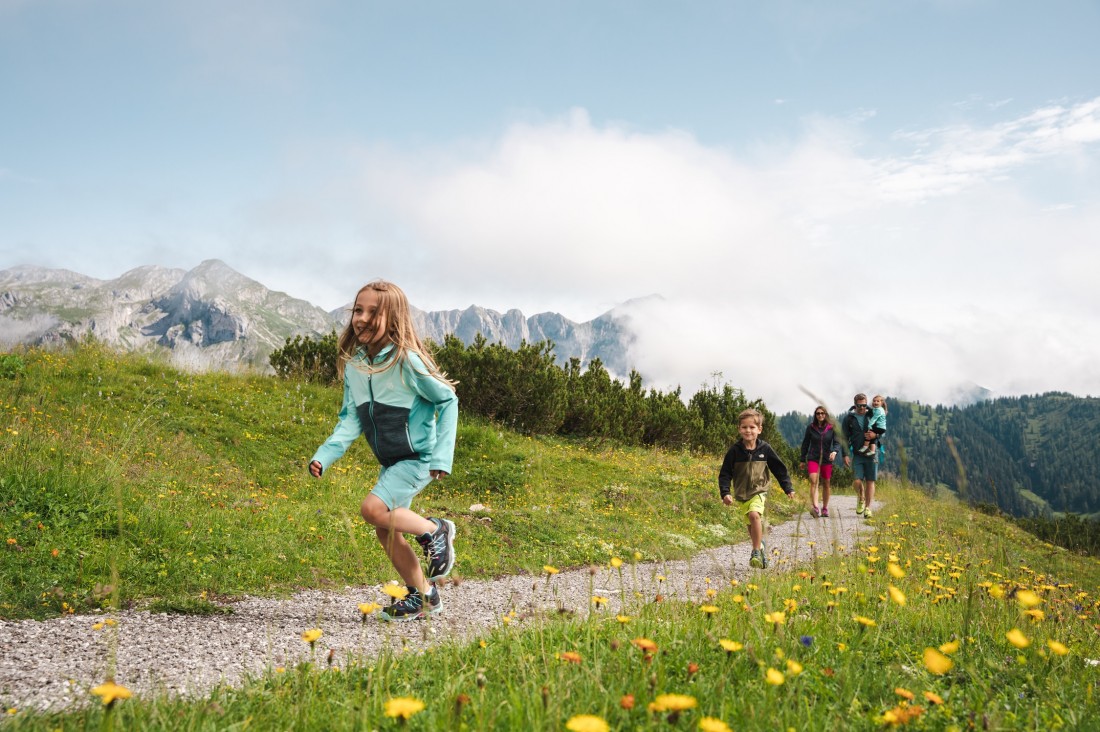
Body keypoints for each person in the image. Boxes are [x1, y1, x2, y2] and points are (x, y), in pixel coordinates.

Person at [309, 280, 459, 621]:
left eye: (373, 312)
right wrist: (324, 455)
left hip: (417, 457)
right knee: (385, 528)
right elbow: (350, 419)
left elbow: (448, 399)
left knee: (372, 509)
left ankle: (436, 530)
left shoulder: (407, 361)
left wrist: (441, 458)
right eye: (358, 310)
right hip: (391, 461)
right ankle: (424, 596)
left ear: (393, 319)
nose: (361, 318)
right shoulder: (355, 365)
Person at [718, 408, 795, 569]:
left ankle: (755, 551)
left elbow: (779, 469)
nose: (748, 430)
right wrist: (725, 492)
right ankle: (760, 546)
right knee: (751, 525)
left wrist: (787, 487)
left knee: (754, 515)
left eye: (752, 427)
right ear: (739, 429)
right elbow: (725, 473)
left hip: (759, 490)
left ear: (759, 429)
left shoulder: (765, 449)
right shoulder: (734, 451)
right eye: (744, 427)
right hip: (741, 493)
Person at [843, 393, 884, 519]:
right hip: (857, 453)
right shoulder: (849, 419)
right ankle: (861, 497)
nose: (862, 408)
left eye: (864, 405)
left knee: (870, 481)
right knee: (857, 481)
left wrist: (875, 436)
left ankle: (868, 508)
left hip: (872, 453)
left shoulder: (873, 414)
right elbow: (844, 438)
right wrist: (845, 454)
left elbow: (882, 429)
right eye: (859, 405)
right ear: (855, 405)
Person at [799, 406, 840, 518]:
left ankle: (825, 508)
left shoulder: (832, 428)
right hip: (813, 458)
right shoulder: (811, 428)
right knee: (814, 480)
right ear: (815, 415)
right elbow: (805, 443)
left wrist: (835, 452)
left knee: (826, 483)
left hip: (827, 459)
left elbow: (837, 443)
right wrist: (802, 459)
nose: (820, 415)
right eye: (818, 413)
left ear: (826, 414)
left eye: (822, 413)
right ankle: (815, 507)